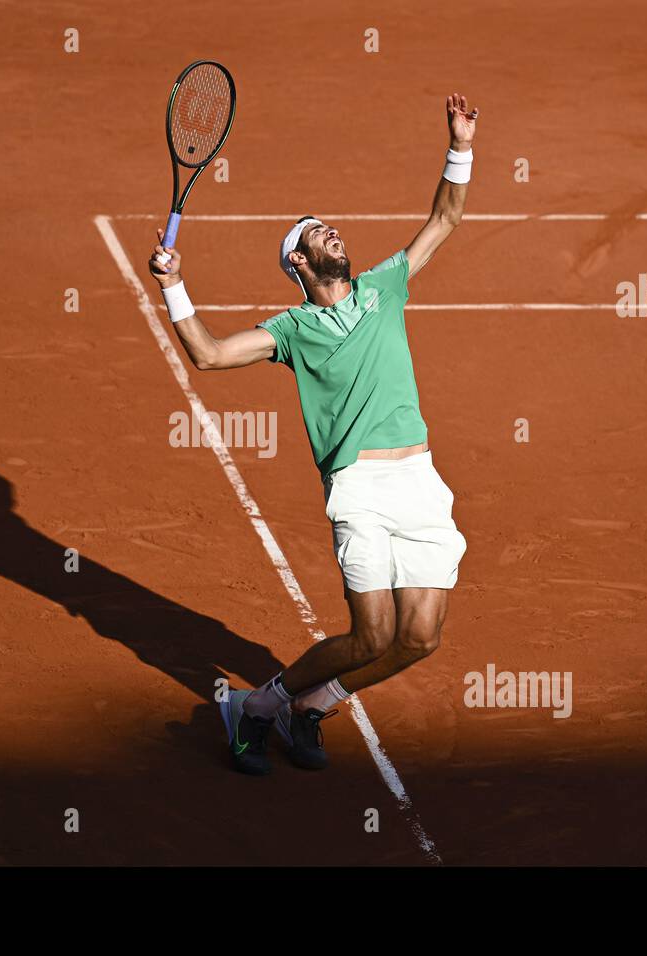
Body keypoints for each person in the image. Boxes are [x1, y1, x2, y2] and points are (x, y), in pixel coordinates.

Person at [148, 94, 480, 776]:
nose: (332, 232)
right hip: (358, 488)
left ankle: (309, 705)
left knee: (420, 639)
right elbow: (207, 355)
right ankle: (256, 707)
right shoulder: (290, 332)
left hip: (419, 480)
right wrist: (175, 287)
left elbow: (445, 217)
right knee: (372, 636)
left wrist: (460, 144)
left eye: (331, 228)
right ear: (296, 262)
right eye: (315, 232)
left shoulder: (386, 285)